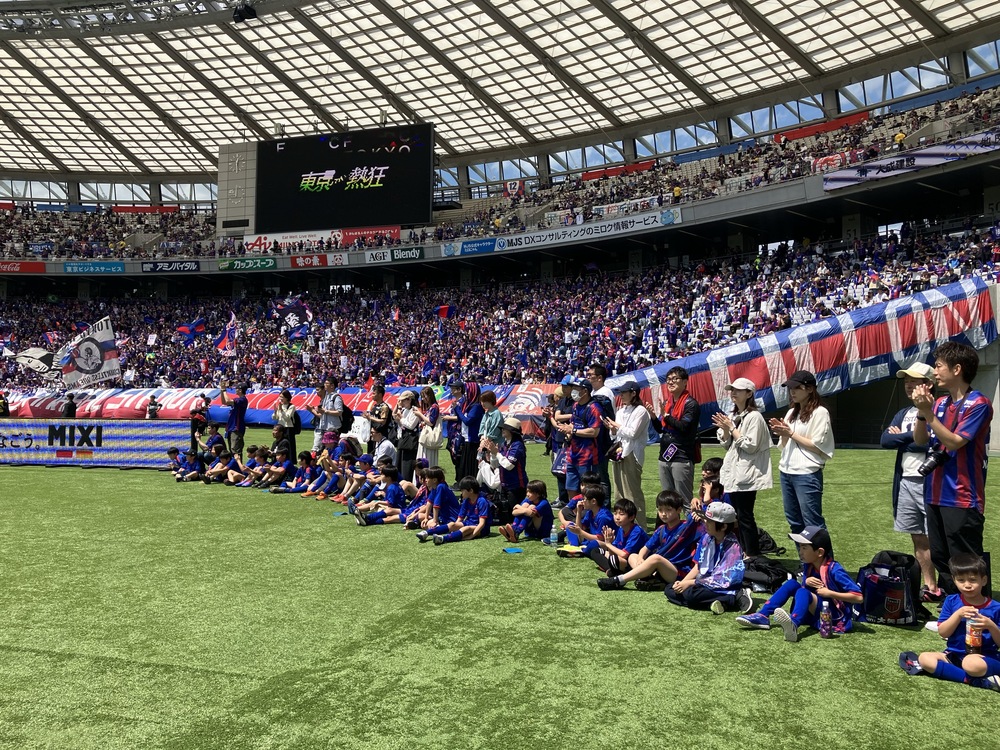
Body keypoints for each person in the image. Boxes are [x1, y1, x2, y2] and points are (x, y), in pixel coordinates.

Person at [911, 342, 993, 597]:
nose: (934, 372)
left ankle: (978, 610)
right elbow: (920, 440)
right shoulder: (939, 403)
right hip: (935, 492)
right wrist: (922, 412)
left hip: (962, 494)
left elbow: (955, 442)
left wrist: (928, 412)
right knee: (940, 555)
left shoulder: (979, 403)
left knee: (965, 558)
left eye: (938, 366)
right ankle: (952, 606)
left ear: (957, 369)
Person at [736, 526, 862, 642]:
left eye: (804, 548)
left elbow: (858, 597)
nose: (800, 551)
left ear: (819, 552)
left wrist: (830, 593)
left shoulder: (835, 570)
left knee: (802, 591)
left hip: (832, 617)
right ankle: (763, 615)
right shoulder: (809, 564)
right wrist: (806, 581)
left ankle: (794, 624)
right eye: (800, 547)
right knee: (792, 583)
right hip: (815, 610)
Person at [880, 362, 941, 599]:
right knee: (917, 536)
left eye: (914, 381)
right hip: (905, 481)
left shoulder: (939, 408)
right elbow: (885, 440)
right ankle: (930, 586)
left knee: (937, 538)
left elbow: (931, 442)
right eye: (906, 381)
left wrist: (903, 438)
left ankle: (951, 586)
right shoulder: (903, 413)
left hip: (931, 481)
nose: (908, 385)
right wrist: (912, 437)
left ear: (928, 384)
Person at [899, 553, 1000, 690]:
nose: (967, 585)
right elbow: (943, 632)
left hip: (984, 657)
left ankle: (969, 674)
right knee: (924, 659)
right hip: (954, 655)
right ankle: (974, 680)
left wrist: (990, 625)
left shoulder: (995, 607)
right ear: (954, 580)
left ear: (984, 580)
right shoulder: (952, 601)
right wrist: (957, 615)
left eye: (972, 580)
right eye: (961, 580)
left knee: (971, 664)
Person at [712, 377, 772, 557]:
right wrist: (725, 429)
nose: (733, 393)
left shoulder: (755, 417)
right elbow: (725, 444)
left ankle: (752, 554)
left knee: (745, 515)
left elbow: (750, 445)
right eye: (732, 390)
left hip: (748, 473)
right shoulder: (733, 416)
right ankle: (744, 551)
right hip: (734, 472)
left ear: (749, 393)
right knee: (738, 515)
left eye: (738, 390)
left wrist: (731, 428)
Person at [768, 370, 834, 534]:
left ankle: (823, 552)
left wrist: (790, 433)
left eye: (797, 388)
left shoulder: (820, 412)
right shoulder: (791, 412)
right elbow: (784, 445)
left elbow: (817, 446)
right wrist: (783, 433)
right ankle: (803, 552)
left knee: (813, 522)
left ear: (810, 389)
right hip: (786, 471)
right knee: (794, 521)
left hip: (807, 473)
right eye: (790, 388)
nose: (792, 392)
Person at [598, 491, 702, 591]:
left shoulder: (687, 527)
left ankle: (620, 580)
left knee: (656, 558)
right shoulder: (661, 529)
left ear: (679, 510)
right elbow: (645, 548)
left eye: (668, 510)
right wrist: (640, 558)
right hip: (659, 570)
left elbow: (703, 516)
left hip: (678, 572)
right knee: (633, 556)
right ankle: (649, 578)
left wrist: (696, 502)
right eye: (660, 510)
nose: (663, 514)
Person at [665, 501, 753, 614]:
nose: (705, 522)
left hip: (723, 586)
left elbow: (723, 579)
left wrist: (690, 583)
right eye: (705, 519)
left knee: (692, 595)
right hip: (703, 583)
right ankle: (720, 603)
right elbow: (698, 566)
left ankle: (734, 596)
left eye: (710, 521)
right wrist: (683, 583)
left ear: (723, 526)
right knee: (670, 589)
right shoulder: (706, 538)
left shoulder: (732, 547)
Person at [648, 366, 699, 505]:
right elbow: (661, 429)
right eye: (669, 379)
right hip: (664, 455)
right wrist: (654, 417)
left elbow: (683, 427)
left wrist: (666, 416)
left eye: (675, 379)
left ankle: (691, 520)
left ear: (685, 382)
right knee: (667, 499)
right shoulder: (668, 403)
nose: (670, 382)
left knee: (684, 500)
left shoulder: (691, 404)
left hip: (681, 456)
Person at [604, 379, 651, 529]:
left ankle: (640, 528)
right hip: (618, 453)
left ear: (633, 393)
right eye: (620, 392)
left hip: (632, 454)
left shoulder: (641, 411)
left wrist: (616, 426)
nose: (621, 395)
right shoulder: (620, 411)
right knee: (619, 493)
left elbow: (633, 433)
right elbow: (616, 436)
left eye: (624, 392)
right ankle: (622, 528)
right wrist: (612, 429)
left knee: (633, 494)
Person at [555, 378, 602, 500]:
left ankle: (588, 511)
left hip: (587, 456)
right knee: (570, 487)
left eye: (576, 388)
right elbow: (573, 424)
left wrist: (573, 431)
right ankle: (575, 510)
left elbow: (594, 431)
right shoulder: (575, 406)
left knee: (588, 490)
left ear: (585, 391)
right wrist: (567, 429)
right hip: (573, 454)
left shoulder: (594, 408)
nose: (573, 391)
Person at [416, 476, 492, 544]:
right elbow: (460, 518)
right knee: (452, 524)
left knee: (466, 529)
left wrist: (471, 536)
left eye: (462, 491)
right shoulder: (466, 500)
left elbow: (482, 523)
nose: (461, 493)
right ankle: (426, 533)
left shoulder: (482, 501)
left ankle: (443, 539)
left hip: (482, 528)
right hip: (469, 523)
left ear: (471, 491)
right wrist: (455, 527)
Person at [483, 417, 528, 526]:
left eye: (505, 429)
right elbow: (495, 465)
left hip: (516, 485)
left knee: (515, 515)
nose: (502, 430)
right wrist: (492, 454)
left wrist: (497, 453)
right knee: (507, 515)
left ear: (512, 431)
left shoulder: (517, 445)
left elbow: (509, 465)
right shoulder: (504, 444)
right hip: (505, 484)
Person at [587, 498, 649, 573]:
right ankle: (609, 569)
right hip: (623, 559)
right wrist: (609, 542)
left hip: (636, 560)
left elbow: (624, 554)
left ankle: (614, 570)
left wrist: (608, 544)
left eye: (621, 514)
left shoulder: (636, 531)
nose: (617, 517)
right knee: (595, 551)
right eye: (615, 513)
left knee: (614, 559)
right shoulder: (621, 529)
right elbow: (612, 553)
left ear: (631, 517)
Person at [446, 381, 484, 483]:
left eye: (467, 391)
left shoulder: (476, 406)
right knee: (465, 464)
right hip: (466, 438)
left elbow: (467, 421)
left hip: (473, 439)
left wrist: (457, 409)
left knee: (471, 465)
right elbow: (462, 418)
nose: (465, 394)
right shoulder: (469, 405)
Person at [497, 479, 554, 543]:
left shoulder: (544, 503)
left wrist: (519, 507)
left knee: (531, 507)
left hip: (542, 533)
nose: (527, 494)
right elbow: (514, 512)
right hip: (530, 532)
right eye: (527, 491)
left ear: (538, 494)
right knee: (525, 505)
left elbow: (531, 513)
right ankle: (514, 530)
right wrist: (523, 509)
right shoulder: (528, 500)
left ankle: (516, 532)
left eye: (530, 492)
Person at [393, 390, 421, 483]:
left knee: (407, 467)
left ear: (409, 400)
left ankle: (407, 485)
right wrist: (398, 407)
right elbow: (394, 416)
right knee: (399, 465)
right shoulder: (404, 410)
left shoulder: (415, 410)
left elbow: (411, 425)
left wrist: (401, 418)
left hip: (410, 441)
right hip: (403, 439)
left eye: (403, 400)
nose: (401, 402)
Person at [310, 378, 344, 452]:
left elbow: (339, 412)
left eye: (326, 383)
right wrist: (319, 410)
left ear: (332, 385)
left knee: (331, 449)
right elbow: (323, 412)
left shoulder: (336, 397)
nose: (324, 385)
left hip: (333, 428)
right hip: (324, 427)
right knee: (321, 450)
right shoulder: (326, 397)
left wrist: (326, 411)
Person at [414, 386, 442, 472]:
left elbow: (431, 422)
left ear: (430, 395)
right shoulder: (430, 407)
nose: (423, 399)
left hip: (429, 437)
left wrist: (420, 414)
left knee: (427, 459)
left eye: (425, 396)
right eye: (422, 397)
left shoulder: (434, 407)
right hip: (425, 436)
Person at [219, 382, 249, 459]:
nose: (235, 390)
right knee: (231, 450)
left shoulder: (242, 400)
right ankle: (234, 465)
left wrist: (224, 390)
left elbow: (227, 400)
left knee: (235, 450)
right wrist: (222, 391)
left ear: (241, 390)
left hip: (237, 427)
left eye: (237, 388)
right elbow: (224, 402)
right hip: (231, 426)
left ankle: (238, 465)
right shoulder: (238, 400)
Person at [364, 385, 392, 454]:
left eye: (374, 393)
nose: (372, 395)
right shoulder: (374, 406)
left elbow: (383, 421)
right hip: (373, 433)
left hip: (380, 435)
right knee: (370, 452)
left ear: (380, 394)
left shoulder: (384, 407)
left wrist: (370, 418)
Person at [272, 389, 298, 460]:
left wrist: (282, 410)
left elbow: (287, 418)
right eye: (280, 397)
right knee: (279, 444)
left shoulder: (291, 406)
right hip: (280, 428)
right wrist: (275, 411)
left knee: (289, 445)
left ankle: (290, 460)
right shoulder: (280, 406)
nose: (280, 399)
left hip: (288, 428)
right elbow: (275, 417)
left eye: (282, 397)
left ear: (287, 398)